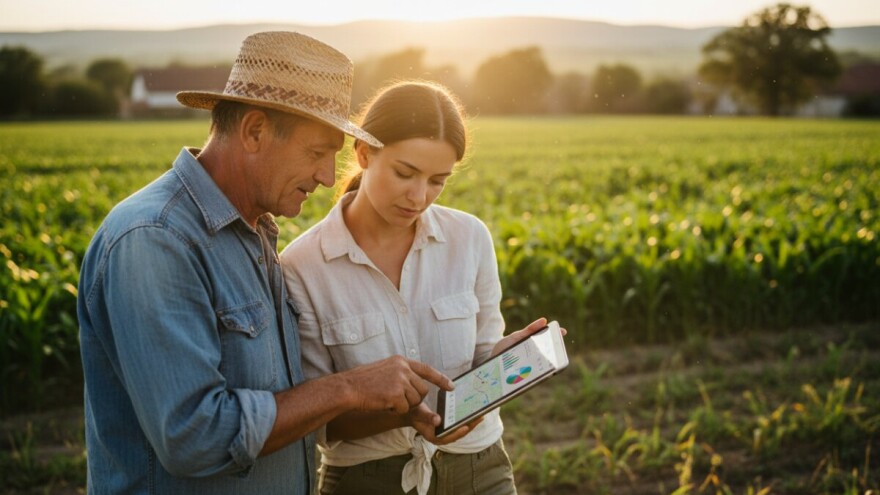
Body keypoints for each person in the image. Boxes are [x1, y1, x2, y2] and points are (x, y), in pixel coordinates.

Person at [76, 32, 454, 494]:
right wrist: (346, 388)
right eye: (317, 153)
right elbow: (192, 437)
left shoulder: (252, 233)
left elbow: (282, 408)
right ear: (254, 131)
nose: (325, 176)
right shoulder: (156, 240)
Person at [280, 80, 551, 495]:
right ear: (364, 153)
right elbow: (321, 423)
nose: (418, 196)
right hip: (366, 480)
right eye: (405, 173)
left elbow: (478, 357)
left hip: (481, 470)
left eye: (437, 180)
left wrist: (504, 360)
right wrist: (407, 416)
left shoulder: (470, 238)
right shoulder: (302, 266)